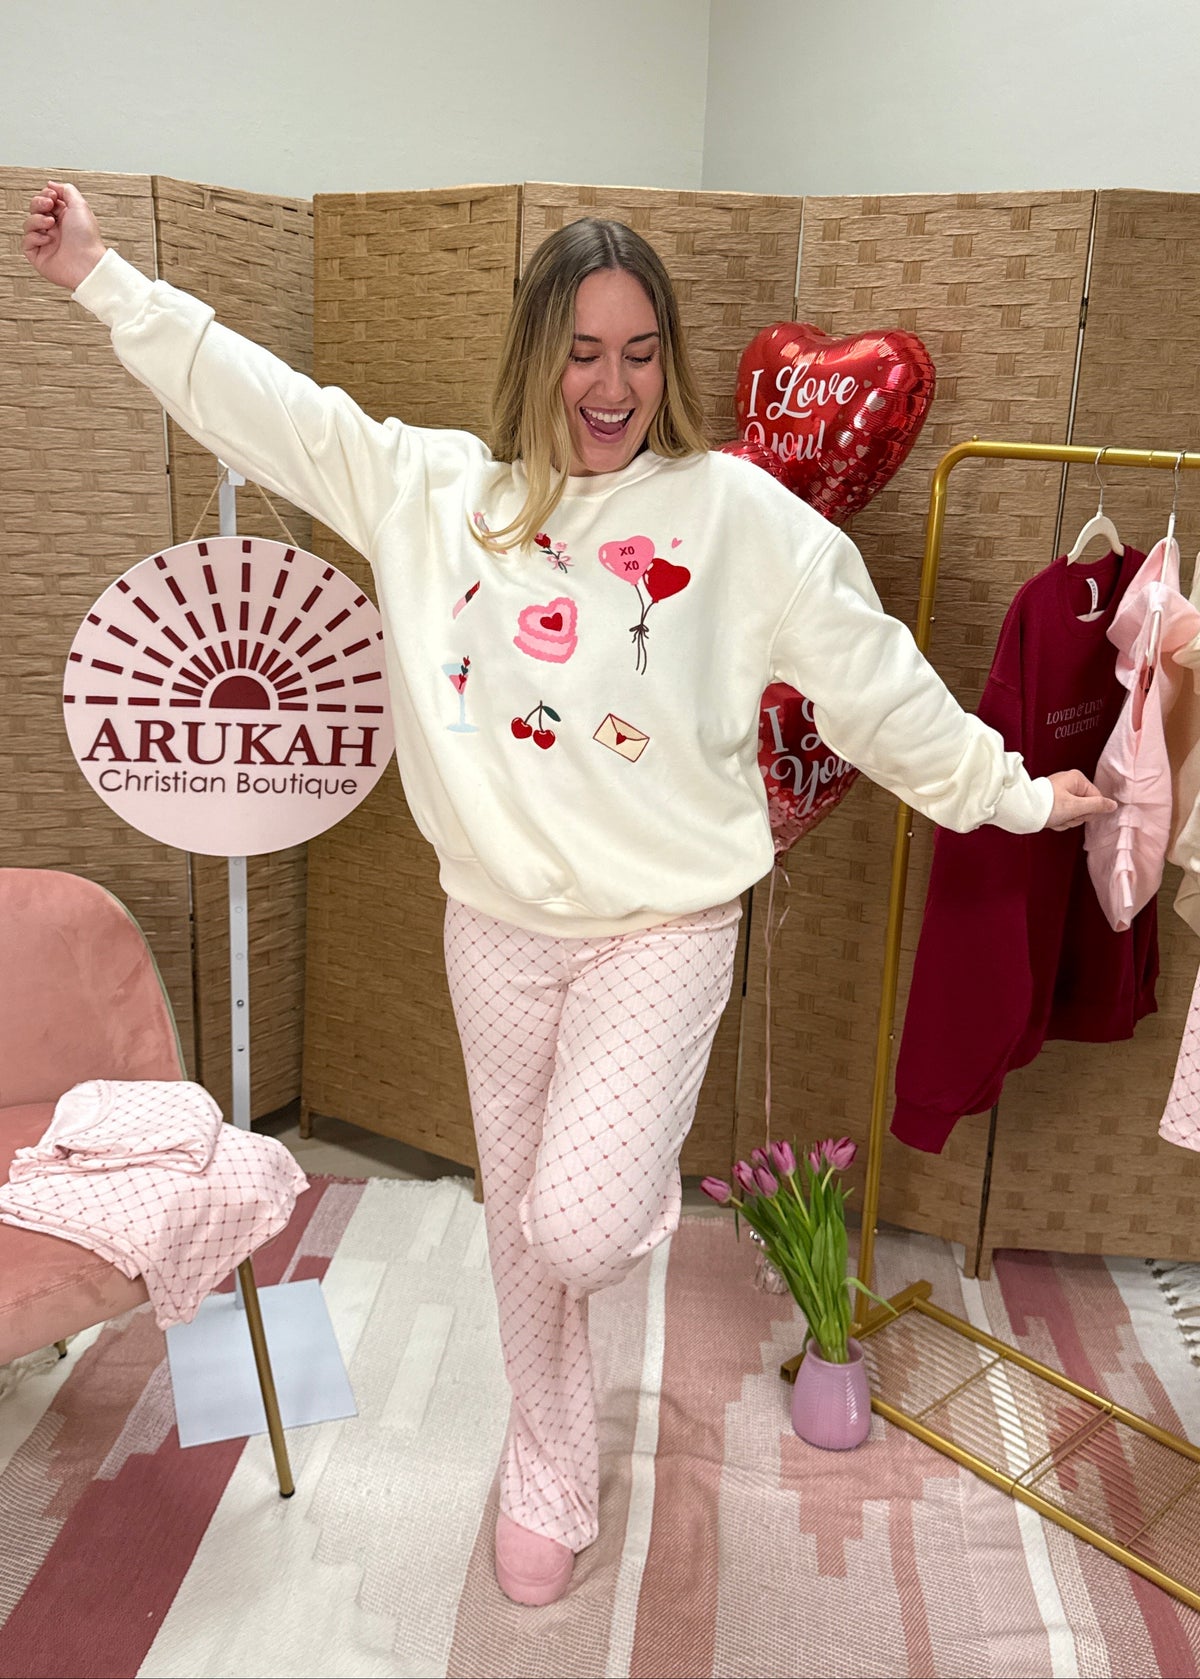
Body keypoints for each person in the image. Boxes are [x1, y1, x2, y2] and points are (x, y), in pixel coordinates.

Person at [23, 181, 1114, 1607]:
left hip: (662, 932)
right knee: (516, 1230)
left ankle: (589, 1286)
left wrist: (1016, 793)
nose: (612, 384)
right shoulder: (431, 493)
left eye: (642, 350)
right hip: (496, 934)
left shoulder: (733, 518)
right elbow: (263, 403)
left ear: (668, 360)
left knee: (578, 1222)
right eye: (585, 349)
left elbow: (875, 685)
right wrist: (106, 277)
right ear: (537, 352)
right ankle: (546, 1463)